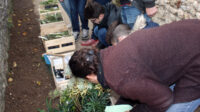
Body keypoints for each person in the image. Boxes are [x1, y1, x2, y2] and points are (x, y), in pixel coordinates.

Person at [69, 19, 200, 112]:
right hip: (191, 31)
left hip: (196, 60)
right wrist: (119, 106)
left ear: (89, 76)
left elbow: (163, 100)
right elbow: (135, 84)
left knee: (172, 106)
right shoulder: (110, 55)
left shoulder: (121, 79)